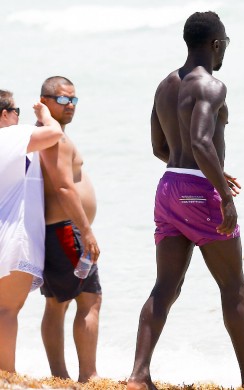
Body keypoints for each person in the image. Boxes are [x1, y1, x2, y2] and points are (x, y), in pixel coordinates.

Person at [127, 11, 244, 390]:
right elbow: (200, 142)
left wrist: (204, 171)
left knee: (166, 286)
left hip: (168, 188)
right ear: (216, 44)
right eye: (225, 42)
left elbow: (159, 147)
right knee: (235, 287)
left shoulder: (165, 85)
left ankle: (138, 376)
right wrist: (224, 195)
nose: (225, 49)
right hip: (200, 192)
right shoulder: (211, 86)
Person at [37, 76, 101, 382]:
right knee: (89, 299)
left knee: (57, 302)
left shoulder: (48, 135)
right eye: (63, 100)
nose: (70, 106)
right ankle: (87, 376)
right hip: (65, 231)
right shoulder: (53, 138)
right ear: (46, 101)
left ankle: (61, 378)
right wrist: (86, 231)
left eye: (74, 100)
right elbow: (64, 188)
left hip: (58, 232)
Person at [0, 89, 62, 373]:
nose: (17, 117)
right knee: (6, 310)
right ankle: (6, 374)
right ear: (4, 115)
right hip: (10, 239)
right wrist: (45, 116)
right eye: (16, 111)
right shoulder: (9, 136)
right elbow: (53, 134)